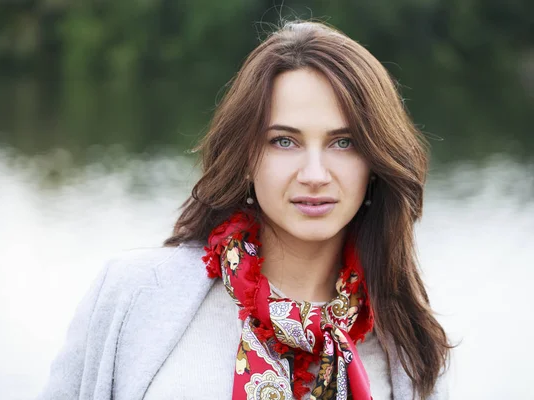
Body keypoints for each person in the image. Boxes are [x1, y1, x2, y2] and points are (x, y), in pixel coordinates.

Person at [38, 21, 451, 400]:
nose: (314, 174)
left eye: (343, 142)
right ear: (246, 157)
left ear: (376, 163)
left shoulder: (409, 348)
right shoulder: (135, 295)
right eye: (284, 141)